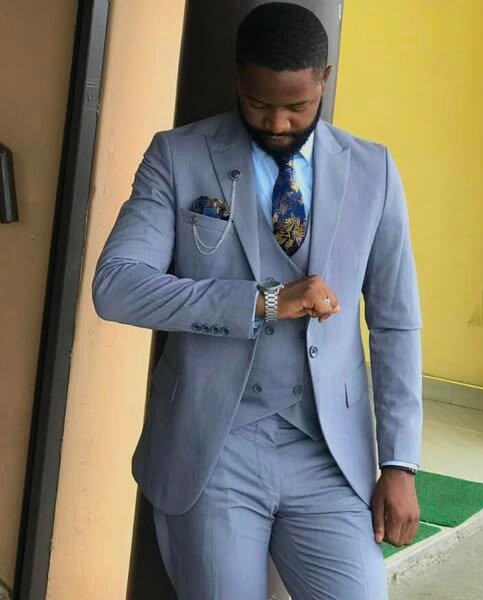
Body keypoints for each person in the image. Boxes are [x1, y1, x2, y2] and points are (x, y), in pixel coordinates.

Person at [93, 3, 423, 598]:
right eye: (258, 102)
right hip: (213, 449)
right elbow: (116, 285)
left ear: (324, 80)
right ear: (237, 78)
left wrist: (399, 462)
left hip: (330, 455)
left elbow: (396, 324)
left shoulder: (373, 171)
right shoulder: (178, 156)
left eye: (297, 106)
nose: (277, 122)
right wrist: (263, 301)